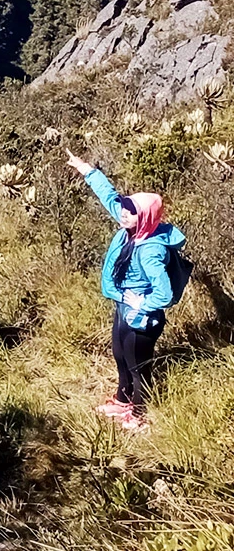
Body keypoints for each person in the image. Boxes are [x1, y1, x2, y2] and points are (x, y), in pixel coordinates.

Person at [65, 149, 186, 431]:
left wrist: (142, 304)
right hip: (123, 306)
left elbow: (164, 294)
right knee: (120, 355)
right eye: (123, 209)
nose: (122, 213)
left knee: (138, 366)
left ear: (143, 217)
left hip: (142, 317)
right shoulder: (131, 227)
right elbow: (109, 196)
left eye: (129, 212)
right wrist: (86, 169)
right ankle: (122, 400)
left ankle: (140, 414)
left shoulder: (150, 250)